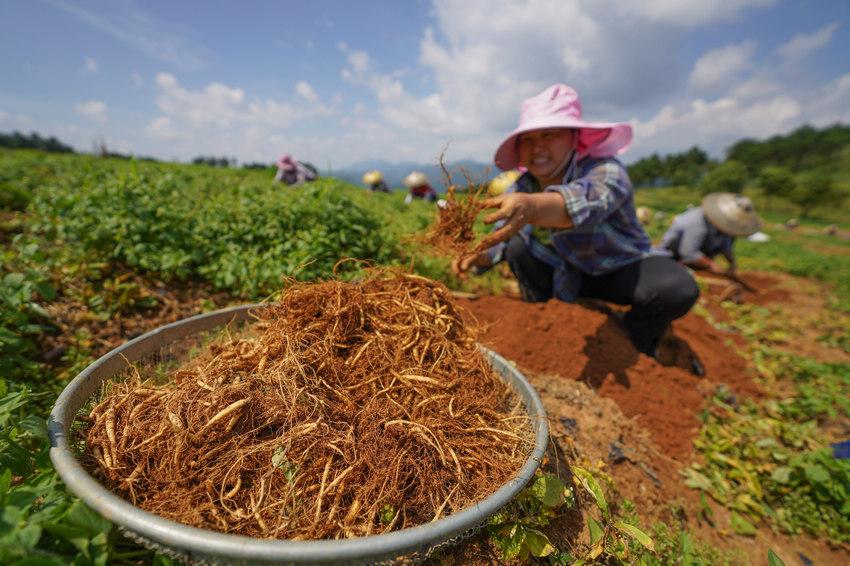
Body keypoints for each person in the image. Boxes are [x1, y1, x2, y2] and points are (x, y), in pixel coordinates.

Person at [451, 83, 699, 357]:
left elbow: (587, 201)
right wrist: (480, 255)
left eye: (549, 134)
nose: (538, 147)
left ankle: (634, 343)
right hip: (565, 273)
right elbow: (502, 235)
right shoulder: (522, 185)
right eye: (528, 139)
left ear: (574, 138)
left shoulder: (606, 169)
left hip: (618, 268)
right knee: (517, 248)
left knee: (677, 289)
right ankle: (541, 323)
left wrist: (532, 207)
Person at [656, 193, 761, 276]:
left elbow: (726, 245)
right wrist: (712, 265)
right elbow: (689, 253)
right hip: (671, 256)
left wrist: (731, 262)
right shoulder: (696, 222)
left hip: (695, 256)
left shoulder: (724, 227)